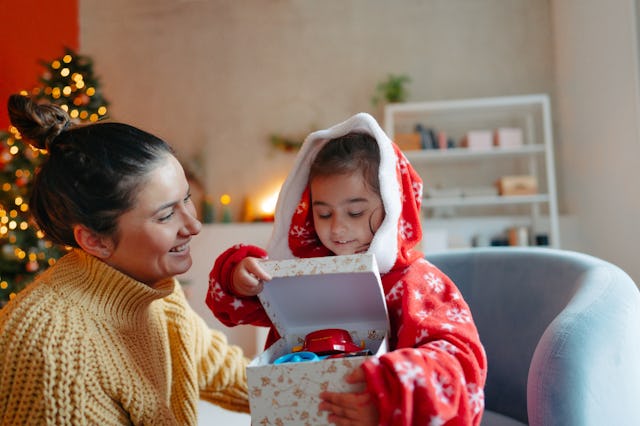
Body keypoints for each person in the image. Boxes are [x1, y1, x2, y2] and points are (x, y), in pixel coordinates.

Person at [206, 112, 487, 425]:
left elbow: (459, 365)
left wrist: (387, 396)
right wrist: (239, 276)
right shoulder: (307, 272)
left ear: (393, 206)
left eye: (355, 212)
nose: (337, 229)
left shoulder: (420, 284)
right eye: (323, 214)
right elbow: (244, 304)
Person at [0, 94, 249, 425]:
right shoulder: (56, 352)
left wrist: (329, 392)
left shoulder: (152, 287)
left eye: (186, 199)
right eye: (165, 216)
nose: (194, 225)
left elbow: (222, 371)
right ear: (95, 240)